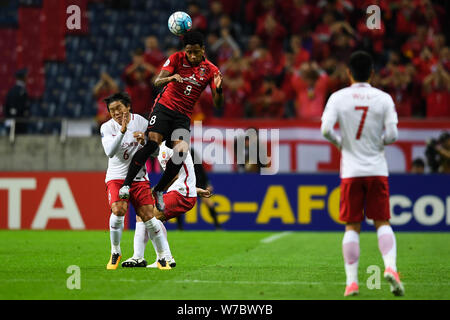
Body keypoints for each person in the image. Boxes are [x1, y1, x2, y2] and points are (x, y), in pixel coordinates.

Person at [321, 51, 404, 297]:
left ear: (349, 73)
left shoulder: (338, 97)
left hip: (351, 170)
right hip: (377, 169)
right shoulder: (384, 98)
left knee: (351, 225)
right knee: (382, 221)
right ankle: (391, 267)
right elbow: (393, 136)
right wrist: (378, 143)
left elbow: (326, 129)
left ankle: (352, 282)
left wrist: (340, 144)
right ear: (372, 73)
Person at [118, 31, 224, 214]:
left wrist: (219, 89)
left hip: (182, 116)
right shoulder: (176, 58)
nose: (192, 56)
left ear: (203, 50)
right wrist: (171, 78)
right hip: (164, 108)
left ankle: (159, 189)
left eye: (196, 52)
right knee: (152, 143)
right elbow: (157, 81)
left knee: (181, 152)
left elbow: (218, 104)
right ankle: (126, 185)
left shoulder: (211, 70)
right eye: (189, 51)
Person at [100, 92, 173, 270]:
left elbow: (155, 153)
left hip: (139, 177)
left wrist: (145, 142)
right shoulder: (107, 127)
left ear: (128, 107)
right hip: (116, 177)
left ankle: (163, 257)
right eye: (112, 110)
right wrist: (122, 131)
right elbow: (110, 152)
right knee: (118, 210)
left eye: (119, 108)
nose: (116, 113)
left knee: (149, 216)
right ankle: (115, 251)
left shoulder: (142, 122)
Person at [122, 141, 212, 267]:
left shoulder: (166, 147)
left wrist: (156, 189)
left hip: (181, 193)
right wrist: (194, 189)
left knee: (150, 217)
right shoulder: (166, 147)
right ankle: (141, 257)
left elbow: (174, 175)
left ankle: (163, 258)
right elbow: (183, 173)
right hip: (183, 191)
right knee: (142, 215)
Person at [4, 69, 30, 134]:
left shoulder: (17, 90)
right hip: (18, 122)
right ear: (23, 77)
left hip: (18, 122)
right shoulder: (19, 91)